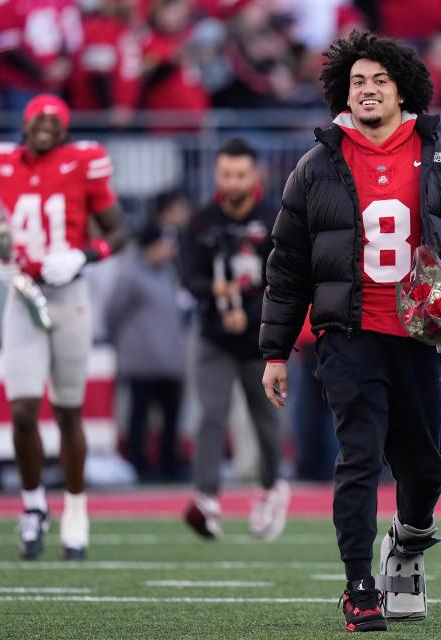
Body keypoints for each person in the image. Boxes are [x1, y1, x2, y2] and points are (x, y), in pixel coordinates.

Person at [259, 31, 441, 632]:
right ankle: (359, 585)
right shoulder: (318, 164)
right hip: (349, 333)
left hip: (419, 337)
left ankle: (408, 544)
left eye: (379, 80)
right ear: (344, 90)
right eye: (358, 81)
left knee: (424, 470)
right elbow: (287, 266)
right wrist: (276, 351)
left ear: (401, 90)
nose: (367, 90)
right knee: (358, 458)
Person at [0, 93, 128, 560]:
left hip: (69, 296)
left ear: (65, 129)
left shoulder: (84, 162)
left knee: (68, 411)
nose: (45, 125)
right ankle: (32, 506)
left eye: (54, 120)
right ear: (24, 124)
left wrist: (83, 255)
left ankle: (77, 508)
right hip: (21, 296)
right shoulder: (0, 162)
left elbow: (119, 233)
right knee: (22, 410)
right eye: (38, 119)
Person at [179, 138, 289, 541]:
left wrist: (254, 311)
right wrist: (218, 294)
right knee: (210, 414)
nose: (234, 182)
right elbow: (188, 277)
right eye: (227, 174)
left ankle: (270, 487)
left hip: (261, 340)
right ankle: (207, 498)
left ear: (255, 175)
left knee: (266, 420)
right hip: (214, 335)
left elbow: (286, 279)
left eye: (241, 174)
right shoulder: (201, 220)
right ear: (216, 174)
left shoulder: (274, 219)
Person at [104, 224, 186, 482]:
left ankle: (168, 464)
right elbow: (112, 313)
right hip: (141, 361)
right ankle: (138, 464)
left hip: (170, 361)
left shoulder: (169, 273)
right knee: (139, 415)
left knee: (171, 417)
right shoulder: (130, 275)